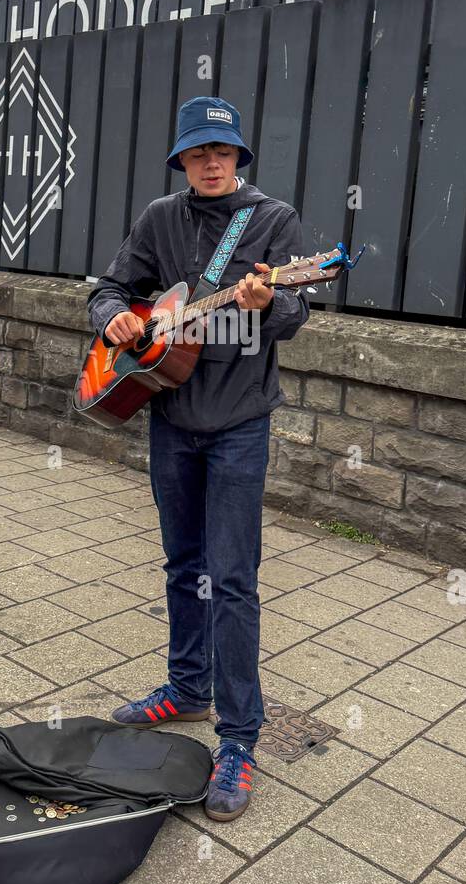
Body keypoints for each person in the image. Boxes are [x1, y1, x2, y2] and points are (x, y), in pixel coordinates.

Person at [86, 96, 311, 821]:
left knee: (233, 579)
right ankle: (186, 687)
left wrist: (262, 302)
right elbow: (111, 287)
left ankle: (239, 739)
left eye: (222, 153)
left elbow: (297, 315)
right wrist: (113, 317)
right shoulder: (160, 218)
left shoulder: (273, 222)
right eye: (197, 154)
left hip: (240, 423)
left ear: (238, 158)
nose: (210, 164)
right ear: (181, 160)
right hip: (169, 413)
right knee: (182, 564)